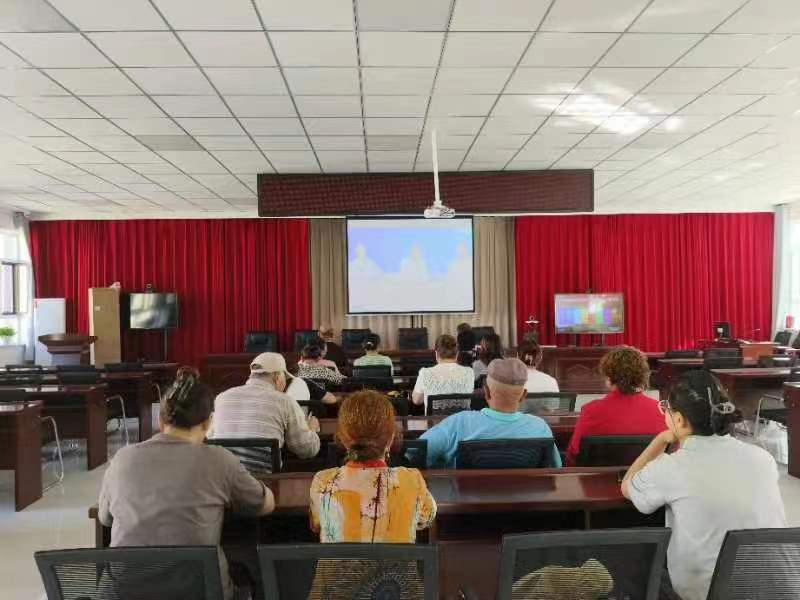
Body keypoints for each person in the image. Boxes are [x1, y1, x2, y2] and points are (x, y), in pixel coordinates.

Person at [98, 367, 274, 600]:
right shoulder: (219, 460)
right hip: (198, 591)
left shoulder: (123, 457)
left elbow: (105, 519)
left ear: (161, 420)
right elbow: (264, 505)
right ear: (209, 422)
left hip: (121, 593)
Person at [622, 370, 786, 600]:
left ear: (679, 420)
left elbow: (628, 486)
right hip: (776, 588)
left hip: (709, 593)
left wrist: (660, 440)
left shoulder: (672, 467)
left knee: (634, 571)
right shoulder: (763, 458)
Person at [310, 390, 436, 543]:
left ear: (342, 438)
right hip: (397, 560)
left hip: (338, 560)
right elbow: (427, 518)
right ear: (390, 438)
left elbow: (317, 524)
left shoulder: (322, 482)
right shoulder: (411, 480)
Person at [420, 358, 562, 468]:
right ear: (523, 396)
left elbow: (416, 454)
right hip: (526, 498)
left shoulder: (459, 423)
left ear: (486, 392)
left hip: (469, 498)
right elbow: (555, 467)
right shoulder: (540, 427)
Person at [565, 345, 664, 466]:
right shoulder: (662, 411)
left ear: (608, 378)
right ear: (643, 376)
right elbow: (672, 452)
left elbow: (573, 455)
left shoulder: (590, 411)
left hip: (599, 477)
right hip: (649, 476)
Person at [210, 353, 321, 459]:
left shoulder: (221, 398)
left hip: (222, 470)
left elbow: (209, 438)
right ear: (277, 377)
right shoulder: (285, 401)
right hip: (262, 472)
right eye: (285, 378)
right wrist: (312, 430)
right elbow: (306, 450)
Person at [411, 334, 474, 410]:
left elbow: (416, 400)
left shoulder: (425, 373)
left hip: (435, 418)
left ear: (436, 353)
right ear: (457, 354)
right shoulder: (469, 372)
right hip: (463, 418)